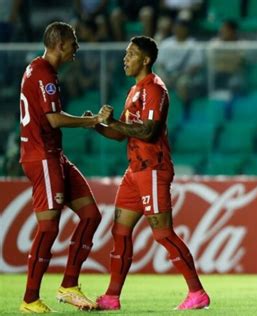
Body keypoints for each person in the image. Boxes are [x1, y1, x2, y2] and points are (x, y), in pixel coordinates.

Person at [89, 36, 210, 310]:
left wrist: (115, 122)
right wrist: (96, 124)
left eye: (131, 54)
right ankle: (111, 297)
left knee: (163, 233)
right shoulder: (134, 91)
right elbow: (121, 134)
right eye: (125, 53)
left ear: (145, 60)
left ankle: (197, 293)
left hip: (153, 169)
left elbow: (149, 130)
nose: (125, 58)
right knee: (119, 231)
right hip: (134, 171)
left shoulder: (155, 89)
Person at [18, 21, 107, 313]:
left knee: (91, 215)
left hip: (54, 155)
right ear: (59, 44)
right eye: (73, 42)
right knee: (49, 227)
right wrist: (90, 121)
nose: (76, 47)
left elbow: (50, 118)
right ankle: (30, 299)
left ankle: (68, 285)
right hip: (41, 156)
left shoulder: (41, 69)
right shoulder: (44, 75)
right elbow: (54, 120)